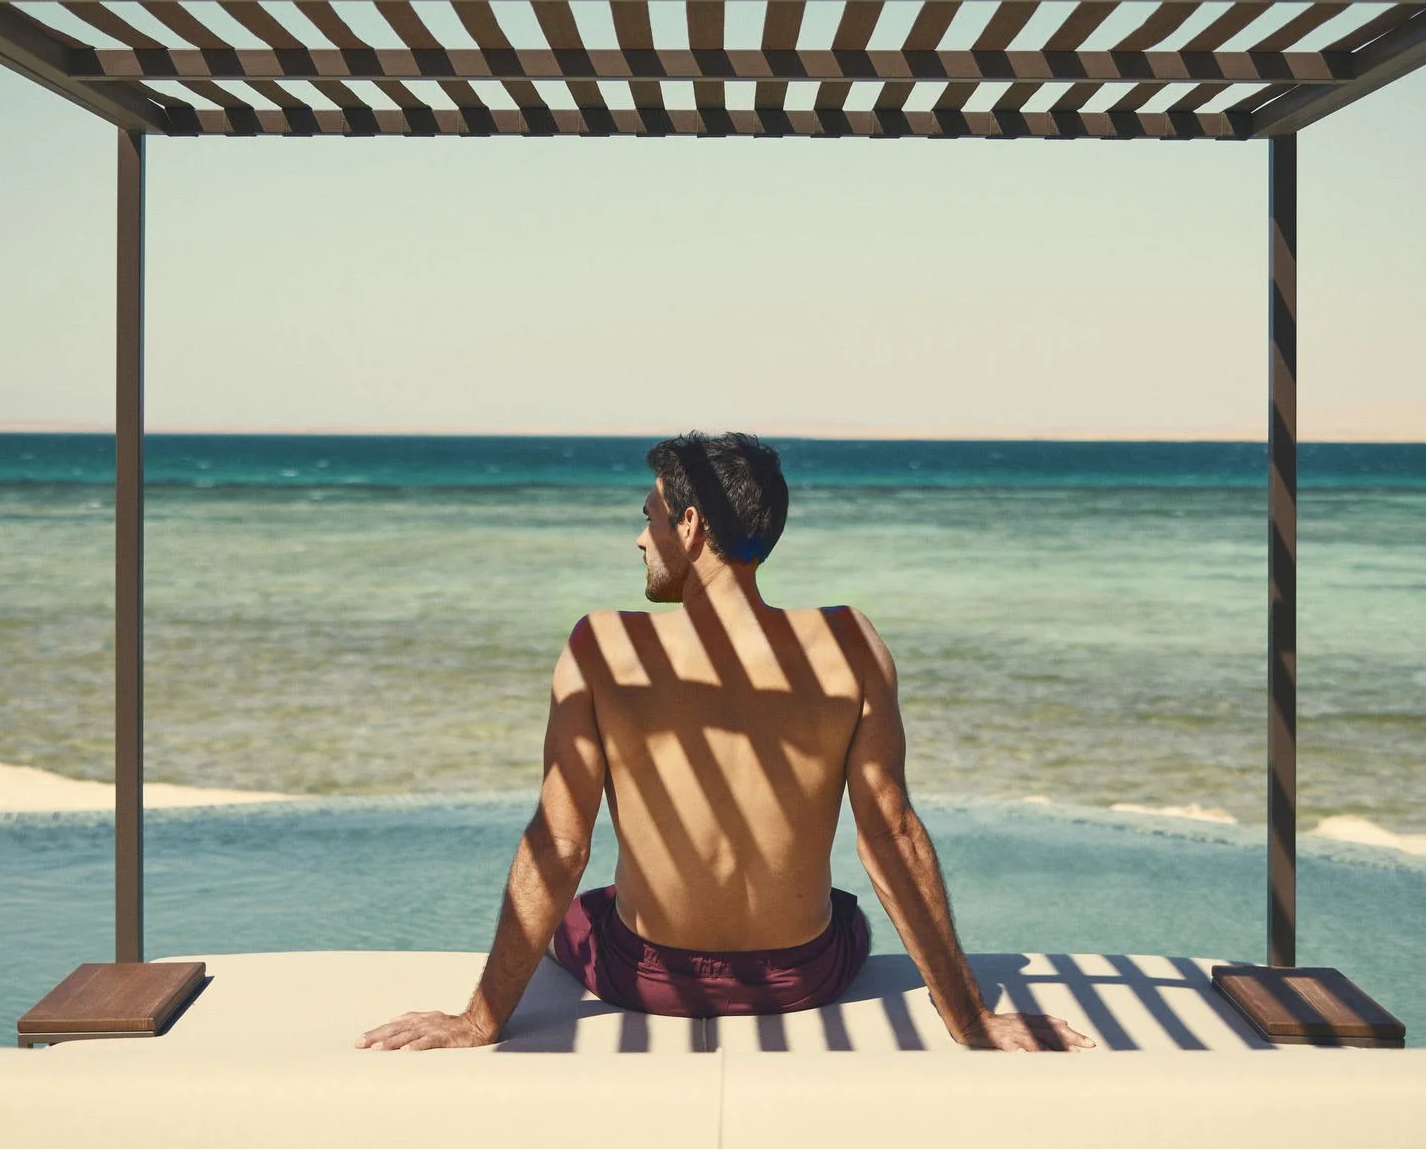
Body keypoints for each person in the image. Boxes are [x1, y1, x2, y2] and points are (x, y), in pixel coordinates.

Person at [358, 431, 1091, 1052]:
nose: (639, 538)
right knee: (846, 913)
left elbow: (562, 841)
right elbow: (890, 832)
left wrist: (479, 1020)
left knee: (582, 911)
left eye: (648, 517)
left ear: (690, 527)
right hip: (801, 976)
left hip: (650, 977)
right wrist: (971, 1018)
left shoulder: (602, 645)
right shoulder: (850, 640)